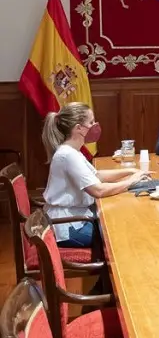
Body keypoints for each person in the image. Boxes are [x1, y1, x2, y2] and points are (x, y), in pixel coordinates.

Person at [41, 102, 152, 248]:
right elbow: (97, 190)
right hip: (69, 226)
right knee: (121, 234)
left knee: (123, 223)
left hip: (78, 218)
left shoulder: (73, 151)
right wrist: (131, 182)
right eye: (91, 122)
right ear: (78, 128)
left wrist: (131, 171)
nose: (95, 125)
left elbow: (97, 175)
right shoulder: (68, 155)